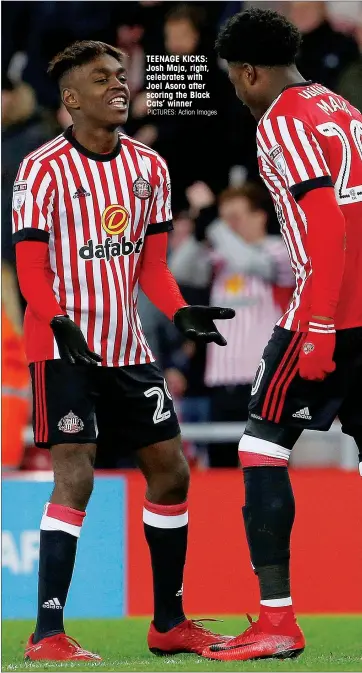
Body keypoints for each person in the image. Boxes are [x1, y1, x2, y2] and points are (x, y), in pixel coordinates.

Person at [12, 40, 235, 662]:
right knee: (75, 474)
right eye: (101, 78)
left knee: (171, 471)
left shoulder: (150, 169)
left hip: (127, 348)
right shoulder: (41, 170)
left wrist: (179, 308)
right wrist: (60, 323)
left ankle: (169, 623)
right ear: (70, 98)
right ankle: (48, 634)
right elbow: (30, 272)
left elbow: (153, 270)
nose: (118, 85)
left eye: (120, 75)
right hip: (62, 348)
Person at [201, 7, 362, 662]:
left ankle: (277, 620)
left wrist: (319, 323)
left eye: (235, 81)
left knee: (261, 446)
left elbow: (325, 227)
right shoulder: (342, 109)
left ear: (249, 72)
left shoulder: (282, 121)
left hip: (328, 311)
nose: (238, 93)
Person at [186, 182, 293, 468]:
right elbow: (181, 270)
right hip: (221, 381)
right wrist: (200, 229)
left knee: (265, 466)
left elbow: (247, 261)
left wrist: (214, 223)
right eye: (224, 218)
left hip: (264, 381)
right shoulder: (221, 256)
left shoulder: (280, 251)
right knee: (221, 470)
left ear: (260, 216)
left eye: (235, 217)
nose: (228, 226)